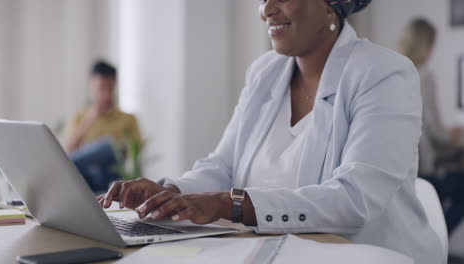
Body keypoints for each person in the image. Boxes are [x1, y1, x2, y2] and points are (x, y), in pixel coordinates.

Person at [99, 1, 444, 263]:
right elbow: (222, 166)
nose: (267, 9)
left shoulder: (383, 74)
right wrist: (170, 193)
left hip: (359, 254)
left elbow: (353, 200)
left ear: (329, 4)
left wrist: (228, 204)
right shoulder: (264, 72)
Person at [398, 18, 464, 235]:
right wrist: (455, 136)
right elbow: (436, 133)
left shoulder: (394, 71)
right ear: (425, 45)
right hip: (423, 171)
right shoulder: (424, 75)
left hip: (401, 172)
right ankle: (437, 240)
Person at [63, 61, 142, 192]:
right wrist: (90, 118)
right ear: (91, 85)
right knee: (91, 155)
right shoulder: (80, 117)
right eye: (101, 87)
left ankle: (53, 168)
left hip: (111, 175)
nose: (106, 93)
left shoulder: (128, 119)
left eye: (110, 88)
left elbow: (133, 154)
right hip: (87, 175)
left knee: (108, 146)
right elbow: (67, 151)